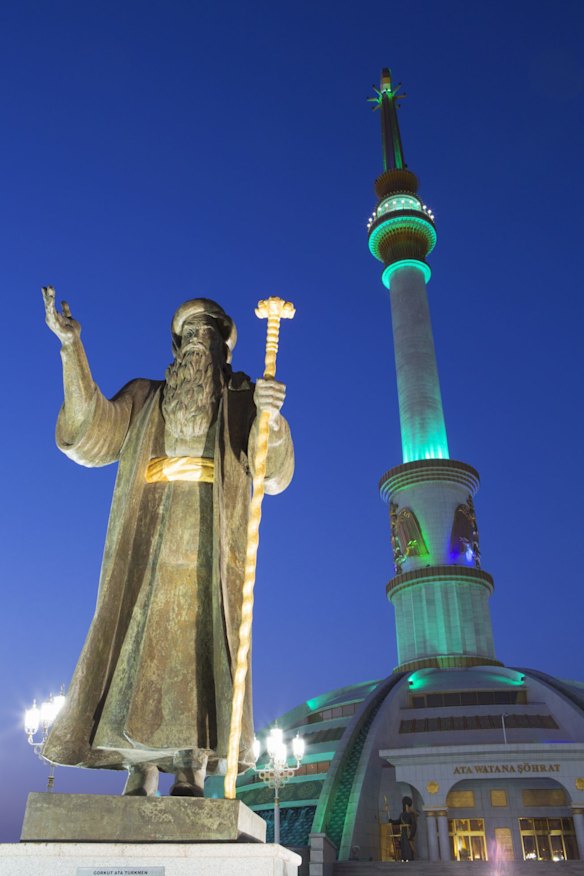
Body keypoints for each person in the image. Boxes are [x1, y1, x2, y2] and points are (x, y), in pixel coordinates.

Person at [40, 289, 294, 796]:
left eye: (210, 332)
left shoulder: (242, 397)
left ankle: (190, 764)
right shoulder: (145, 397)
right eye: (191, 333)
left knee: (199, 647)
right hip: (148, 542)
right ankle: (137, 764)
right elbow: (88, 433)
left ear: (225, 347)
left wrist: (273, 420)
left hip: (209, 539)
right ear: (177, 346)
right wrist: (72, 349)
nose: (200, 340)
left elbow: (275, 473)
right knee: (136, 642)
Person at [391, 796, 417, 861]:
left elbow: (414, 824)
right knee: (404, 846)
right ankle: (404, 858)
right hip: (403, 833)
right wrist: (392, 821)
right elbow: (398, 821)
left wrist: (411, 835)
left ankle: (409, 858)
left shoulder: (411, 814)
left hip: (408, 833)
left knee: (408, 846)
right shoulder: (402, 814)